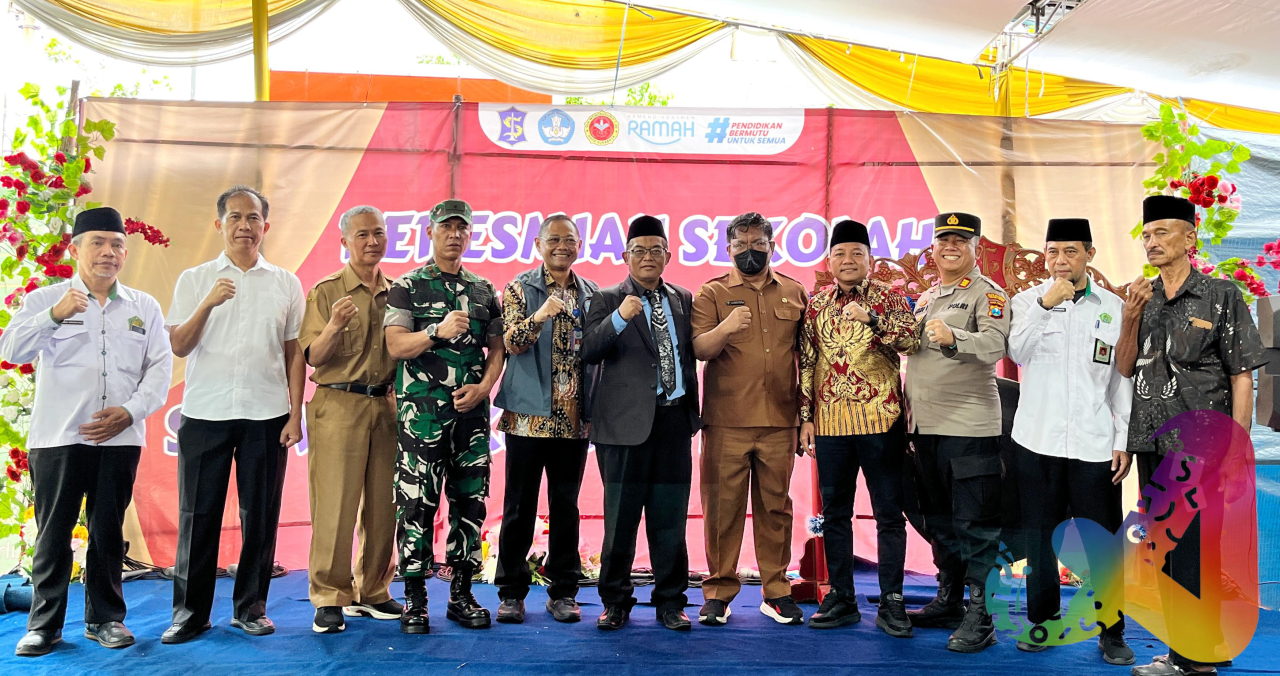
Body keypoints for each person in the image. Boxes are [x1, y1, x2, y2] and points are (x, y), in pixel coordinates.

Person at [2, 208, 172, 657]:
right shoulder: (46, 299)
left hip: (120, 437)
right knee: (53, 534)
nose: (108, 252)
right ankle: (44, 626)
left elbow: (160, 368)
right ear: (75, 250)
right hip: (58, 437)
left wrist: (130, 412)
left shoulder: (143, 307)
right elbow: (12, 349)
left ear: (125, 253)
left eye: (117, 244)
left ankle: (106, 619)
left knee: (107, 531)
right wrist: (53, 316)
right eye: (97, 242)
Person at [1118, 195, 1267, 676]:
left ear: (1190, 239)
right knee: (1169, 549)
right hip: (1151, 441)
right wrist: (1130, 317)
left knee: (1193, 550)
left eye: (1162, 232)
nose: (1152, 242)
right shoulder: (1142, 298)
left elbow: (1241, 375)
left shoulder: (1221, 295)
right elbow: (1124, 367)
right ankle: (1202, 648)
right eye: (1147, 235)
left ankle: (1190, 658)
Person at [163, 186, 305, 644]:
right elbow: (179, 345)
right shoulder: (195, 279)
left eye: (253, 218)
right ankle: (190, 614)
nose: (245, 226)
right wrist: (208, 302)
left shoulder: (285, 282)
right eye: (235, 217)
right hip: (206, 412)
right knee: (197, 514)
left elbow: (294, 353)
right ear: (219, 224)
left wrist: (295, 414)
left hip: (267, 413)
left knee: (259, 516)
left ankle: (251, 608)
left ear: (266, 226)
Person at [1007, 218, 1135, 665]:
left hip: (1094, 442)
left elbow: (1121, 380)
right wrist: (1046, 304)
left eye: (1071, 251)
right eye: (1052, 252)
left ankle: (1111, 632)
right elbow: (1016, 353)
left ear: (1089, 255)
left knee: (1103, 542)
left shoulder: (1114, 308)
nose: (1060, 261)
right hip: (1036, 440)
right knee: (1039, 540)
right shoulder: (1027, 301)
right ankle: (1042, 623)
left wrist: (1123, 439)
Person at [383, 199, 505, 633]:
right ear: (430, 232)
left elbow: (498, 349)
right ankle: (415, 599)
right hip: (422, 416)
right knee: (417, 503)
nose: (454, 235)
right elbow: (396, 345)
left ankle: (461, 594)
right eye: (446, 227)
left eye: (462, 228)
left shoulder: (484, 289)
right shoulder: (407, 286)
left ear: (470, 234)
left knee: (470, 502)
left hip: (471, 417)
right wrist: (436, 331)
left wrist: (484, 388)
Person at [799, 219, 920, 635]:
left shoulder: (890, 297)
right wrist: (805, 417)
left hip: (880, 421)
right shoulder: (816, 304)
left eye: (856, 253)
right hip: (830, 424)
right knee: (835, 513)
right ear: (829, 260)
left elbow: (911, 342)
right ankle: (841, 597)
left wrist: (872, 319)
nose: (847, 260)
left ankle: (893, 601)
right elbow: (807, 361)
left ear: (870, 259)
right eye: (840, 253)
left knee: (889, 514)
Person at [582, 215, 702, 632]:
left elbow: (688, 355)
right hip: (623, 428)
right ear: (625, 256)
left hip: (673, 423)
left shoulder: (683, 298)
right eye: (639, 250)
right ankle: (615, 602)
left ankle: (671, 601)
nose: (647, 257)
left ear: (668, 255)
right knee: (620, 520)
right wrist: (619, 317)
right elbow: (589, 351)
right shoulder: (606, 297)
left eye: (655, 250)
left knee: (670, 520)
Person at [692, 212, 808, 627]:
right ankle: (718, 593)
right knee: (722, 510)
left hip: (780, 420)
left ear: (772, 246)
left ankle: (776, 592)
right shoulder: (712, 292)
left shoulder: (794, 291)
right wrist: (726, 327)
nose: (749, 251)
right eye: (741, 245)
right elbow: (700, 350)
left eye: (758, 244)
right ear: (728, 249)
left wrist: (806, 415)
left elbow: (809, 358)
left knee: (776, 508)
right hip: (727, 420)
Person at [903, 212, 1010, 653]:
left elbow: (996, 345)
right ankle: (950, 599)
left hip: (969, 428)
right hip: (924, 428)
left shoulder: (989, 294)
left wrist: (954, 338)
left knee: (974, 525)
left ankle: (982, 616)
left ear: (975, 247)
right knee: (938, 520)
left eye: (960, 240)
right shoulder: (928, 296)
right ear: (933, 247)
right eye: (943, 239)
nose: (950, 246)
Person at [299, 206, 402, 634]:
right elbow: (313, 357)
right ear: (344, 242)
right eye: (362, 235)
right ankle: (330, 595)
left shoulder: (399, 292)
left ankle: (373, 589)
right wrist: (335, 326)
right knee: (335, 505)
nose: (372, 242)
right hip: (339, 403)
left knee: (384, 504)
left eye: (378, 233)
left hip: (387, 405)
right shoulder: (326, 292)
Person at [492, 214, 598, 624]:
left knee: (565, 506)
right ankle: (511, 593)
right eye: (553, 239)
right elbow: (512, 343)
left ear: (579, 245)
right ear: (538, 245)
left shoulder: (590, 293)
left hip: (573, 420)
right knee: (519, 505)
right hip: (527, 418)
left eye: (569, 240)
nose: (561, 246)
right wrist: (540, 316)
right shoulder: (520, 288)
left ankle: (564, 592)